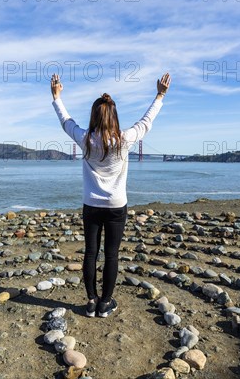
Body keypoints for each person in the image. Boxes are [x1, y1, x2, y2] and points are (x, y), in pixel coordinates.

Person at [51, 72, 171, 317]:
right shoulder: (125, 139)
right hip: (117, 206)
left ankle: (92, 301)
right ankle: (106, 303)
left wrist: (56, 97)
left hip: (91, 205)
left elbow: (66, 121)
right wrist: (160, 95)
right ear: (114, 116)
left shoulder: (85, 139)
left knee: (90, 252)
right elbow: (146, 122)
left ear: (94, 116)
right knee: (112, 253)